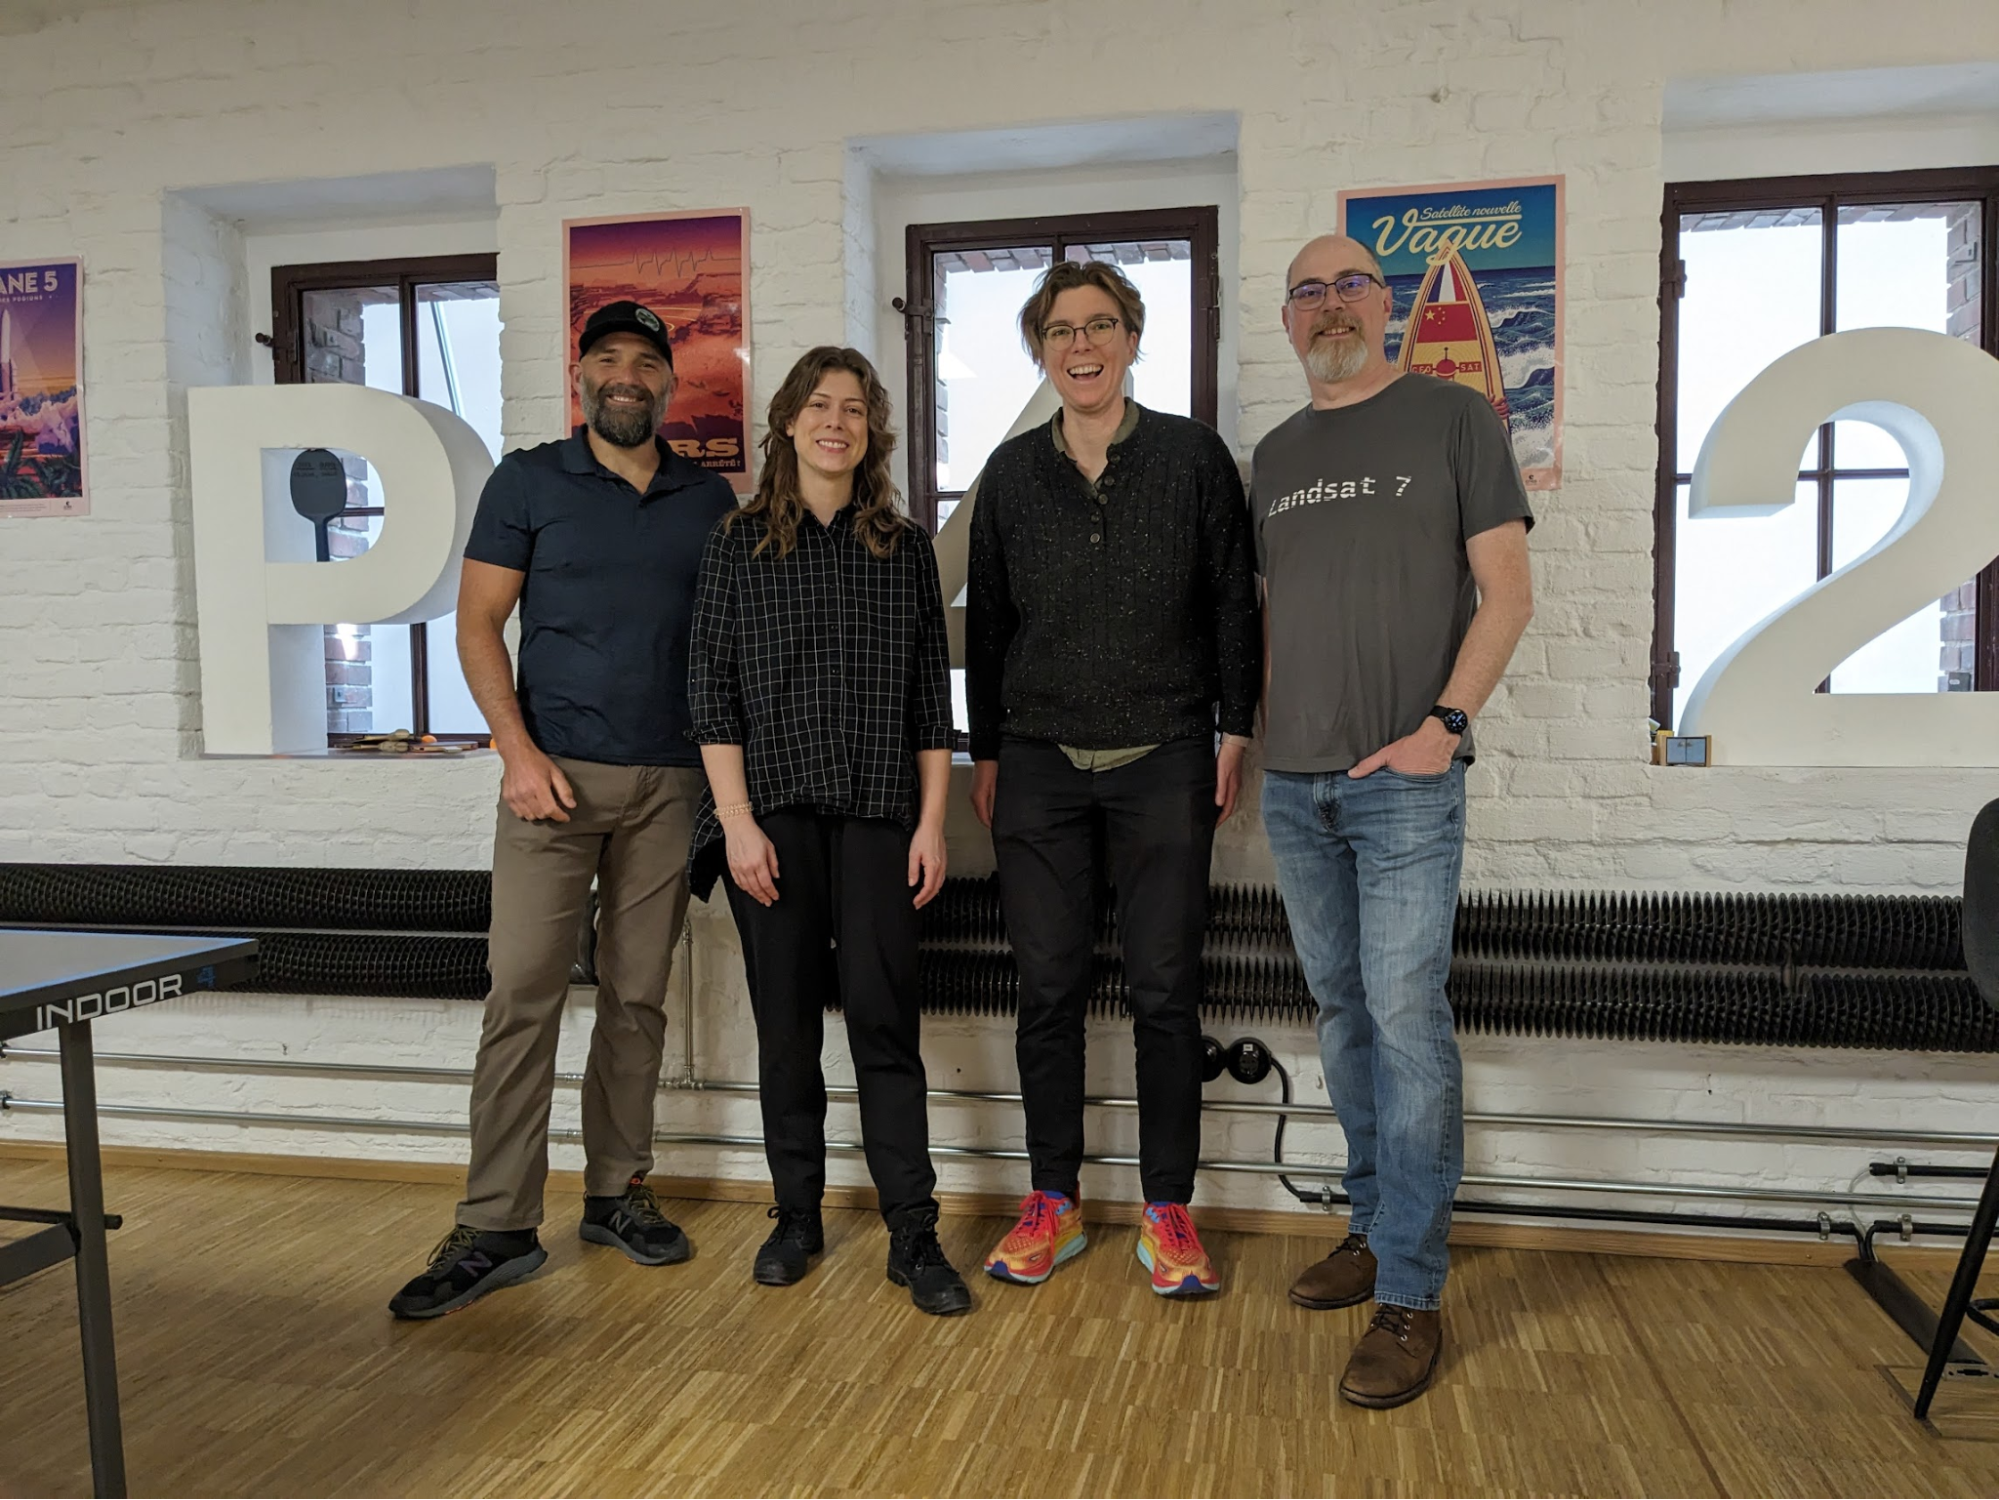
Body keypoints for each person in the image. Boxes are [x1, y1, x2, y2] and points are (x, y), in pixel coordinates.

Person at [388, 301, 737, 1320]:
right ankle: (496, 1225)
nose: (627, 376)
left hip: (670, 785)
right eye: (609, 360)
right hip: (552, 785)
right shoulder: (528, 481)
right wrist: (517, 753)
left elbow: (724, 646)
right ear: (581, 376)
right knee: (524, 998)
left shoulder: (707, 498)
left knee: (636, 999)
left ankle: (617, 1193)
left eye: (645, 363)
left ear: (669, 386)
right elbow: (480, 623)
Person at [1254, 235, 1535, 1406]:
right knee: (1343, 1015)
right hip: (1293, 782)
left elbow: (1507, 589)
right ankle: (1371, 1227)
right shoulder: (1270, 455)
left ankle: (1412, 1292)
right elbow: (1273, 615)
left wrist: (1444, 727)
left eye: (1350, 284)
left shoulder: (1453, 420)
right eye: (1308, 290)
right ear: (1289, 320)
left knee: (1409, 1020)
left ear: (1385, 306)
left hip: (1406, 780)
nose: (1330, 305)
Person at [966, 259, 1259, 1297]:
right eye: (1059, 330)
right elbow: (988, 627)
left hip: (1168, 754)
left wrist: (1235, 731)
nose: (1080, 346)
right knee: (1046, 991)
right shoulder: (1009, 477)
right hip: (1039, 761)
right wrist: (988, 751)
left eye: (1100, 326)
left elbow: (1233, 600)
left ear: (1132, 340)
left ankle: (1167, 1211)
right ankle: (1052, 1200)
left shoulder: (1190, 458)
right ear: (1038, 351)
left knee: (1166, 991)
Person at [687, 345, 970, 1317]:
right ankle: (796, 1215)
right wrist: (736, 827)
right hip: (771, 826)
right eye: (818, 404)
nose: (835, 421)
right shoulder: (735, 544)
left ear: (870, 431)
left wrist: (932, 827)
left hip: (882, 823)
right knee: (786, 1033)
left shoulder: (903, 548)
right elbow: (710, 697)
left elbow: (932, 707)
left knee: (886, 1028)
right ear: (788, 421)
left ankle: (914, 1231)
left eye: (853, 408)